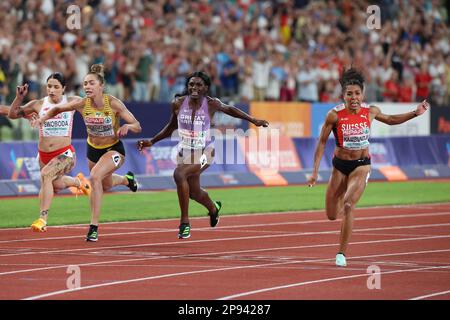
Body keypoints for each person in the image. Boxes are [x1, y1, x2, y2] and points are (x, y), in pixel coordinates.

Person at [307, 68, 430, 267]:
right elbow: (321, 143)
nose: (353, 98)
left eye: (357, 93)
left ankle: (341, 253)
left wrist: (415, 113)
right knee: (331, 215)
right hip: (339, 166)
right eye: (349, 94)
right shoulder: (334, 115)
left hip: (361, 165)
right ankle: (341, 195)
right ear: (343, 96)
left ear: (362, 94)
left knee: (348, 205)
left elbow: (390, 120)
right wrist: (314, 172)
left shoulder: (370, 111)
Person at [137, 71, 269, 239]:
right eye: (191, 84)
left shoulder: (211, 104)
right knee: (194, 193)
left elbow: (230, 109)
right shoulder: (177, 103)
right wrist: (152, 141)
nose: (194, 88)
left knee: (179, 174)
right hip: (184, 152)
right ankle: (213, 208)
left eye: (199, 85)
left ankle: (184, 222)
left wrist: (253, 120)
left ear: (206, 88)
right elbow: (171, 127)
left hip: (205, 151)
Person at [32, 64, 142, 241]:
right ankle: (126, 180)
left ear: (101, 86)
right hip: (93, 150)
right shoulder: (82, 104)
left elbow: (137, 125)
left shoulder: (113, 103)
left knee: (95, 177)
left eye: (91, 83)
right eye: (84, 84)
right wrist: (43, 118)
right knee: (105, 184)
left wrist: (128, 126)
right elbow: (57, 109)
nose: (87, 87)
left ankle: (93, 227)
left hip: (113, 149)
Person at [8, 73, 91, 232]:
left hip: (65, 154)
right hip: (44, 155)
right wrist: (19, 98)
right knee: (56, 185)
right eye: (49, 86)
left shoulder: (72, 101)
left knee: (46, 175)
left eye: (56, 87)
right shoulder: (38, 104)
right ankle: (79, 183)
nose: (51, 90)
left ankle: (42, 219)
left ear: (64, 88)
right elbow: (12, 114)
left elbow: (92, 106)